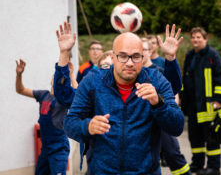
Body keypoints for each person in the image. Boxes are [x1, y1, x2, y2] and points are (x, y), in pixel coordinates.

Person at [54, 22, 185, 174]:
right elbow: (70, 123)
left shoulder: (156, 81)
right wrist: (87, 126)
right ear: (112, 57)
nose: (129, 63)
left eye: (135, 57)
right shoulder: (93, 81)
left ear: (143, 58)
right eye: (123, 56)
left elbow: (177, 126)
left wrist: (158, 103)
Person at [181, 27, 221, 175]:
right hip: (193, 106)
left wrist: (218, 100)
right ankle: (197, 164)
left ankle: (214, 168)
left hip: (209, 105)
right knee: (194, 138)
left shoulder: (213, 55)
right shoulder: (190, 55)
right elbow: (186, 80)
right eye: (193, 37)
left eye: (198, 37)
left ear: (205, 39)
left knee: (211, 138)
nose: (195, 40)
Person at [142, 37, 192, 175]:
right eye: (137, 51)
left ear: (150, 51)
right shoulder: (129, 74)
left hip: (161, 121)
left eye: (144, 50)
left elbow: (174, 87)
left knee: (172, 154)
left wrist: (170, 58)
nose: (141, 53)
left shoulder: (158, 71)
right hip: (143, 127)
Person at [15, 58, 71, 175]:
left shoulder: (64, 99)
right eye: (56, 77)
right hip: (46, 149)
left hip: (59, 150)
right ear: (52, 80)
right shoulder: (43, 95)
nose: (58, 81)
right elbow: (20, 90)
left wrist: (71, 76)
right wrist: (19, 74)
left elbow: (76, 93)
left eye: (62, 80)